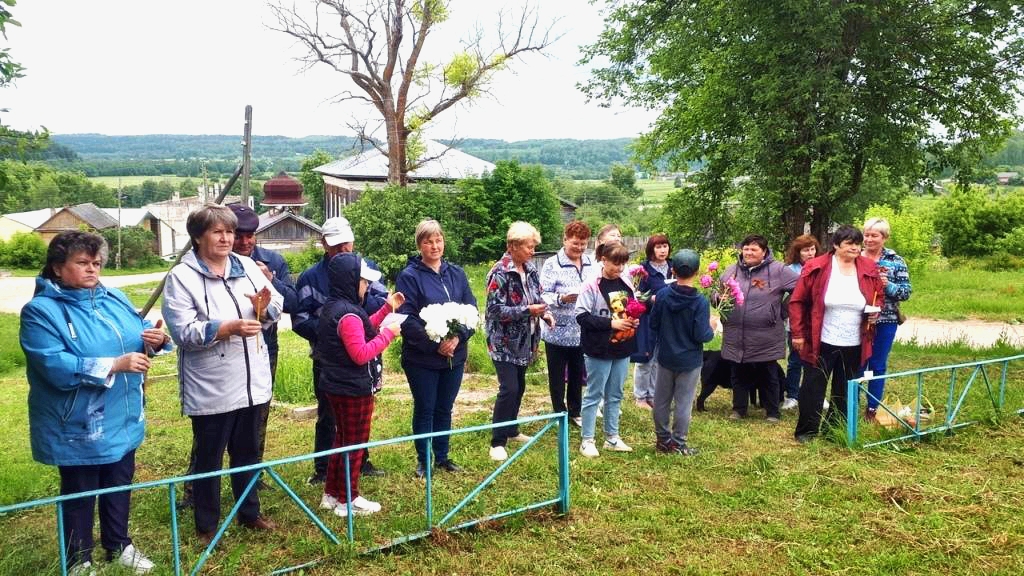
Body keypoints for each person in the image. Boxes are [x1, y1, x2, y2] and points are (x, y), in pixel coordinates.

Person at [20, 231, 169, 575]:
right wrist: (114, 364)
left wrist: (156, 339)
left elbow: (138, 331)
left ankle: (119, 545)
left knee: (120, 480)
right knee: (80, 490)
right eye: (82, 263)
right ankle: (79, 559)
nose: (92, 269)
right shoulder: (41, 312)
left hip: (123, 412)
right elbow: (52, 364)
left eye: (97, 263)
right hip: (78, 422)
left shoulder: (113, 297)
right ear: (58, 268)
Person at [162, 203, 283, 544]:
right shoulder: (181, 277)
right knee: (209, 457)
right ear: (198, 237)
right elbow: (183, 331)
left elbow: (276, 304)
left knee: (248, 452)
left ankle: (250, 513)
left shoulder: (247, 266)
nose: (226, 238)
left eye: (229, 231)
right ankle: (207, 524)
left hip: (252, 380)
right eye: (217, 232)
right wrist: (226, 328)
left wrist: (263, 308)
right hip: (212, 384)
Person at [293, 217, 388, 486]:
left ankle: (361, 460)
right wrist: (332, 334)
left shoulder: (367, 268)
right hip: (328, 357)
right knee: (328, 412)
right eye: (336, 245)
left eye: (346, 244)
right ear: (324, 244)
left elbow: (381, 299)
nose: (342, 249)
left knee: (360, 412)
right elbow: (300, 320)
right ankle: (323, 467)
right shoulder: (310, 277)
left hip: (363, 354)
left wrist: (360, 318)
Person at [315, 253, 404, 517]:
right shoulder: (348, 314)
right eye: (364, 282)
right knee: (355, 443)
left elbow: (362, 329)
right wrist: (389, 334)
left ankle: (332, 494)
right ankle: (348, 499)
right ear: (350, 281)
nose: (366, 286)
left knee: (342, 439)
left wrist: (387, 309)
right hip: (353, 388)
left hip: (335, 384)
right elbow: (361, 353)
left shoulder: (337, 306)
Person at [395, 219, 478, 478]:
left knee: (445, 407)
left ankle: (442, 457)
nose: (434, 246)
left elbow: (472, 309)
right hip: (422, 358)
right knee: (426, 407)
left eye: (438, 240)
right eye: (428, 241)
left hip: (455, 355)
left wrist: (458, 338)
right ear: (419, 245)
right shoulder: (409, 276)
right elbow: (406, 318)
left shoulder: (456, 273)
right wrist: (435, 345)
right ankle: (423, 460)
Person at [789, 225, 885, 443]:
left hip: (854, 340)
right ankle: (806, 431)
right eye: (849, 244)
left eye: (857, 244)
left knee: (844, 387)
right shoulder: (816, 266)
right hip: (820, 339)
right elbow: (797, 302)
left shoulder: (869, 267)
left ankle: (834, 429)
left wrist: (875, 312)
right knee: (813, 386)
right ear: (835, 245)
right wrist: (798, 333)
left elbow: (878, 296)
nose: (855, 248)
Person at [485, 222, 554, 462]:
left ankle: (512, 429)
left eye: (533, 246)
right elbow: (494, 311)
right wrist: (527, 311)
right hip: (502, 341)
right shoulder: (499, 272)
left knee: (520, 386)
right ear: (513, 246)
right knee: (509, 388)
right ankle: (497, 442)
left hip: (526, 340)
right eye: (528, 247)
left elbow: (538, 297)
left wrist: (545, 313)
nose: (532, 251)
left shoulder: (531, 269)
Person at [719, 234, 799, 422]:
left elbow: (800, 289)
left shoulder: (779, 270)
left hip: (766, 335)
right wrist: (718, 299)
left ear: (764, 252)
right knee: (738, 373)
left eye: (753, 249)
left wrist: (781, 311)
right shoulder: (732, 270)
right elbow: (719, 293)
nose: (748, 252)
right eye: (746, 249)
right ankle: (739, 409)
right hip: (736, 333)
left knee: (768, 373)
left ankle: (772, 411)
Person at [649, 249, 717, 455]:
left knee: (661, 401)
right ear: (697, 272)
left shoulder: (662, 295)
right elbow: (702, 335)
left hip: (666, 356)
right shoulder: (700, 301)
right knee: (683, 403)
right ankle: (678, 442)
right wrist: (712, 327)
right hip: (690, 360)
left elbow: (653, 324)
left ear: (673, 271)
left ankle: (662, 439)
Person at [576, 242, 640, 458]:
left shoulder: (626, 282)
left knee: (615, 394)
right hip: (598, 348)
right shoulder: (591, 285)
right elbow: (581, 317)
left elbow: (630, 308)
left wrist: (633, 320)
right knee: (594, 394)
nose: (619, 269)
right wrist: (611, 324)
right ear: (603, 260)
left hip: (622, 346)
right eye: (615, 264)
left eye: (623, 264)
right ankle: (587, 440)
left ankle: (612, 437)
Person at [539, 221, 597, 428]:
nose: (579, 248)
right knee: (556, 375)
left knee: (577, 372)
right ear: (564, 240)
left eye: (583, 244)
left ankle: (575, 411)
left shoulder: (590, 263)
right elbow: (542, 294)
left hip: (582, 330)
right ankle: (558, 412)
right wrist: (562, 299)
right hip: (558, 330)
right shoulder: (551, 264)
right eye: (575, 243)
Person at [861, 217, 912, 421]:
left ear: (884, 237)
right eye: (866, 235)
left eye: (874, 235)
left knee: (877, 364)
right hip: (858, 320)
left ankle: (872, 407)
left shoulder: (895, 260)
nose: (869, 239)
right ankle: (851, 403)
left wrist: (888, 285)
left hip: (886, 320)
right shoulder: (856, 257)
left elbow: (906, 292)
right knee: (858, 363)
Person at [630, 233, 673, 410]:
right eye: (658, 247)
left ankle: (652, 395)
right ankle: (640, 397)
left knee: (659, 360)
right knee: (645, 358)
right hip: (648, 318)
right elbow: (636, 295)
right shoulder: (643, 270)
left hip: (668, 319)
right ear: (651, 249)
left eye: (665, 246)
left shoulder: (673, 267)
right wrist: (650, 299)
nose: (662, 250)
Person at [781, 234, 821, 410]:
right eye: (806, 250)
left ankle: (816, 394)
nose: (810, 253)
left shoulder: (823, 267)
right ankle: (792, 395)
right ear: (798, 252)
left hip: (817, 322)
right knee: (795, 360)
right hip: (796, 323)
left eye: (812, 249)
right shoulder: (789, 270)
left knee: (816, 360)